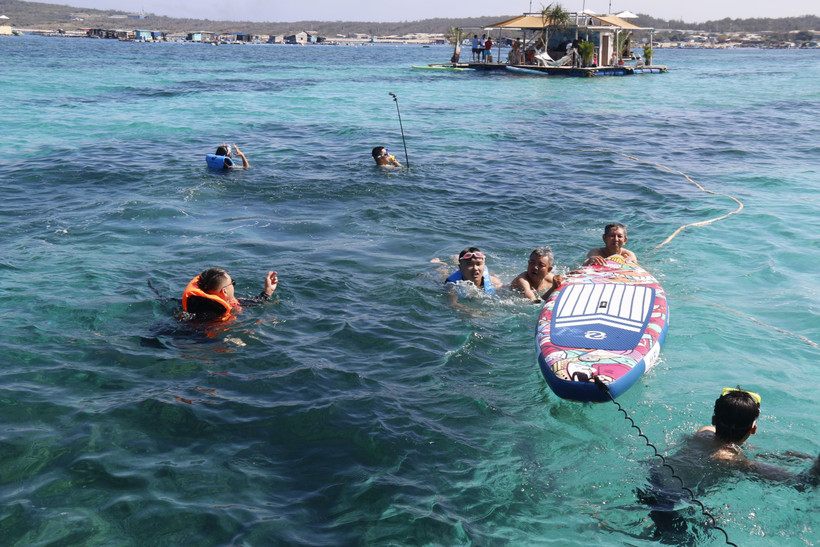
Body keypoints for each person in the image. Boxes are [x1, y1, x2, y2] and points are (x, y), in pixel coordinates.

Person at [639, 387, 820, 541]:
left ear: (714, 420)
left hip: (652, 479)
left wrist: (777, 456)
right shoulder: (731, 461)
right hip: (672, 503)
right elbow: (800, 483)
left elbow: (728, 446)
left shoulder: (704, 432)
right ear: (753, 429)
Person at [182, 267, 278, 322]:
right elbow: (199, 335)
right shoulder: (212, 314)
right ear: (224, 291)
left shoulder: (196, 301)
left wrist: (268, 291)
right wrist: (227, 340)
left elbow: (254, 303)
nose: (233, 284)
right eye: (232, 282)